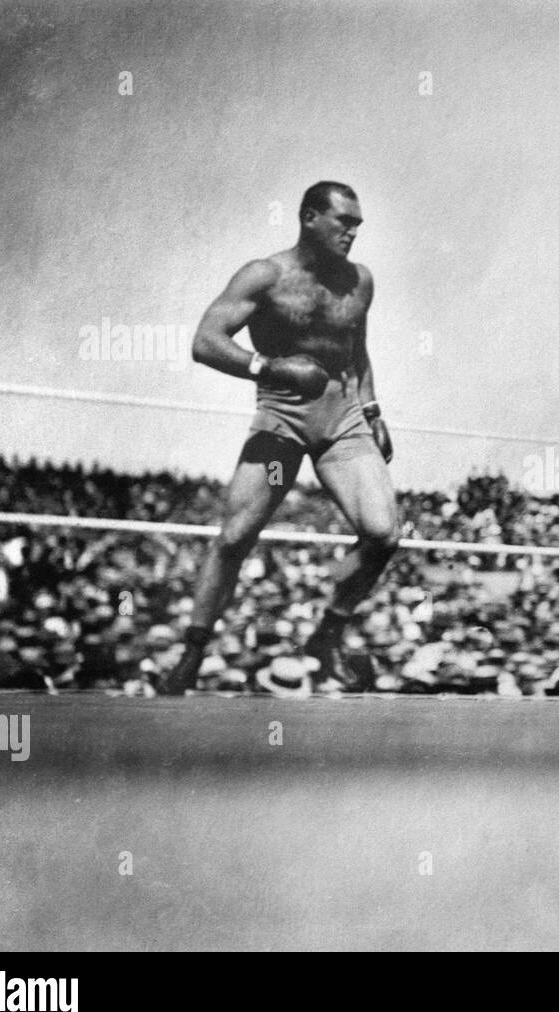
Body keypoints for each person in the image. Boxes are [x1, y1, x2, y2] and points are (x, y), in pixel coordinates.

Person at [159, 181, 399, 696]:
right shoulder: (265, 275)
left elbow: (356, 349)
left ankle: (327, 634)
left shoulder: (361, 282)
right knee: (234, 538)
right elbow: (205, 341)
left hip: (343, 421)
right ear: (309, 218)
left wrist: (374, 409)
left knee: (383, 533)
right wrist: (272, 367)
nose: (353, 232)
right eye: (343, 221)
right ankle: (192, 652)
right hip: (282, 418)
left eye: (358, 224)